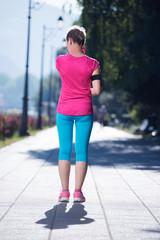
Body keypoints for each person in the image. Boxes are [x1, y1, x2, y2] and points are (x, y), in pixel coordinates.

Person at [56, 25, 101, 202]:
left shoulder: (60, 61)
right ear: (83, 42)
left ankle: (64, 192)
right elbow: (96, 90)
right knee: (82, 151)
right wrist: (84, 89)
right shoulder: (93, 63)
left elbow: (65, 80)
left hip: (64, 110)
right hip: (84, 111)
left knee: (64, 150)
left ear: (69, 41)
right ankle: (77, 192)